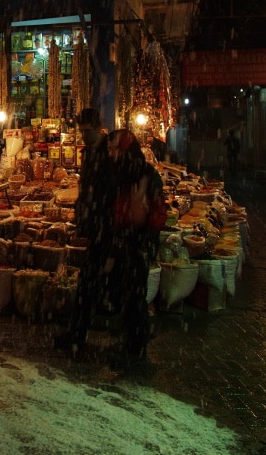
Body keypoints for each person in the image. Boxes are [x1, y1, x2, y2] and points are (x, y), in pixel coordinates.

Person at [102, 129, 166, 367]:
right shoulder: (120, 172)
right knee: (123, 292)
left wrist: (144, 241)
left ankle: (136, 351)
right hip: (125, 240)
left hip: (137, 242)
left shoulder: (142, 174)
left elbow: (156, 212)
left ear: (125, 150)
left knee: (133, 295)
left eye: (114, 149)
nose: (110, 153)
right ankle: (132, 342)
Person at [59, 107, 112, 353]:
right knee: (91, 279)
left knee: (91, 280)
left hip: (106, 224)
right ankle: (81, 331)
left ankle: (80, 333)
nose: (84, 136)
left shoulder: (109, 152)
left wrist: (96, 213)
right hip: (94, 224)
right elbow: (87, 186)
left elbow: (106, 190)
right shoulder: (90, 151)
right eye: (81, 132)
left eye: (87, 132)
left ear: (98, 126)